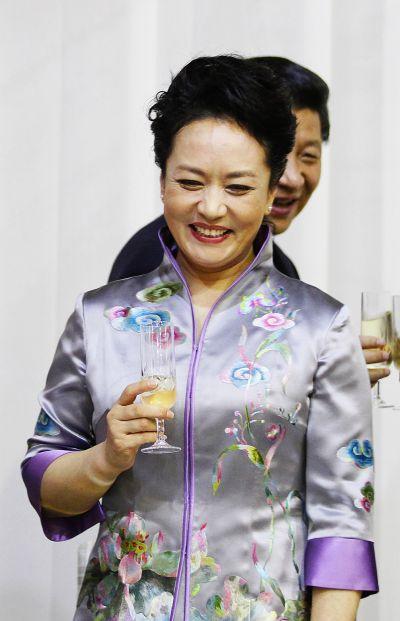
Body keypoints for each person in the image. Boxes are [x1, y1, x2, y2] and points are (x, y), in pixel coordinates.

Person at [22, 55, 378, 621]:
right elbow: (45, 481)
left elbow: (342, 525)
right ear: (162, 179)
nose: (211, 208)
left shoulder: (320, 328)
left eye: (238, 187)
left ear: (270, 192)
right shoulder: (101, 316)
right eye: (189, 182)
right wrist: (105, 459)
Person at [109, 56, 390, 387]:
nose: (293, 178)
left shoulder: (278, 265)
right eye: (281, 160)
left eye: (309, 156)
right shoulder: (157, 257)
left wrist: (328, 372)